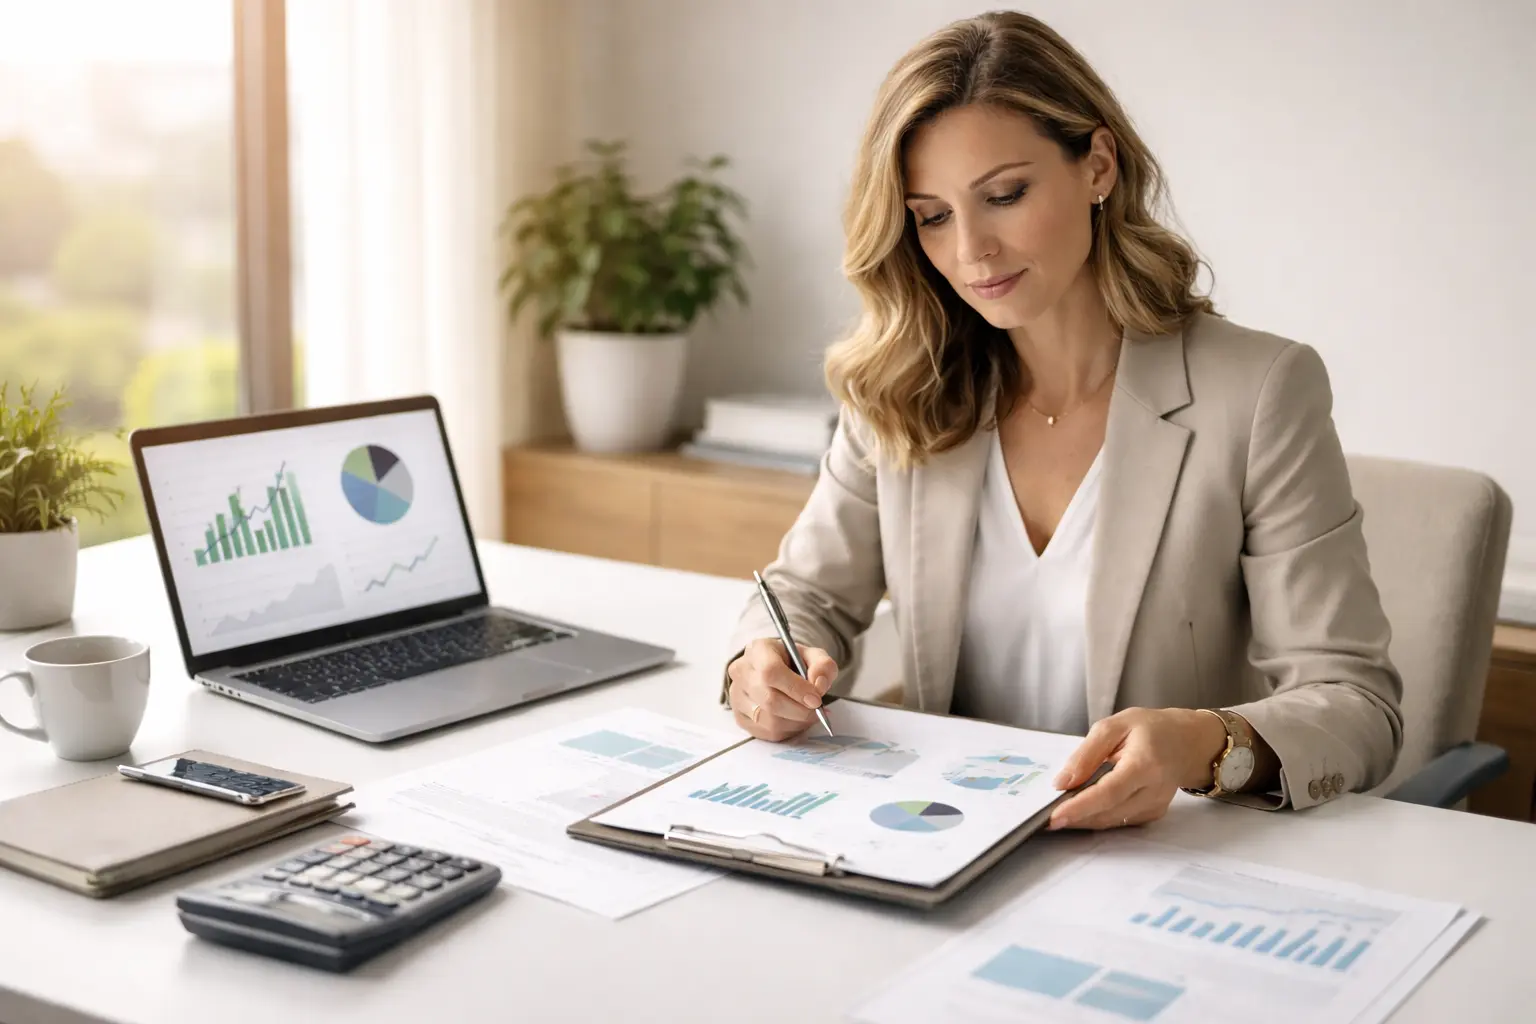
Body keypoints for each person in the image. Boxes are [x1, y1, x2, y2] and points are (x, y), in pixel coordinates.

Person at [721, 10, 1403, 829]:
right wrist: (760, 664)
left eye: (1004, 195)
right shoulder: (904, 384)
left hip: (1161, 855)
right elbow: (803, 595)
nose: (971, 250)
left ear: (1098, 165)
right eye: (932, 215)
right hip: (947, 835)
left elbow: (1358, 704)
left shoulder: (1259, 391)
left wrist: (1204, 744)